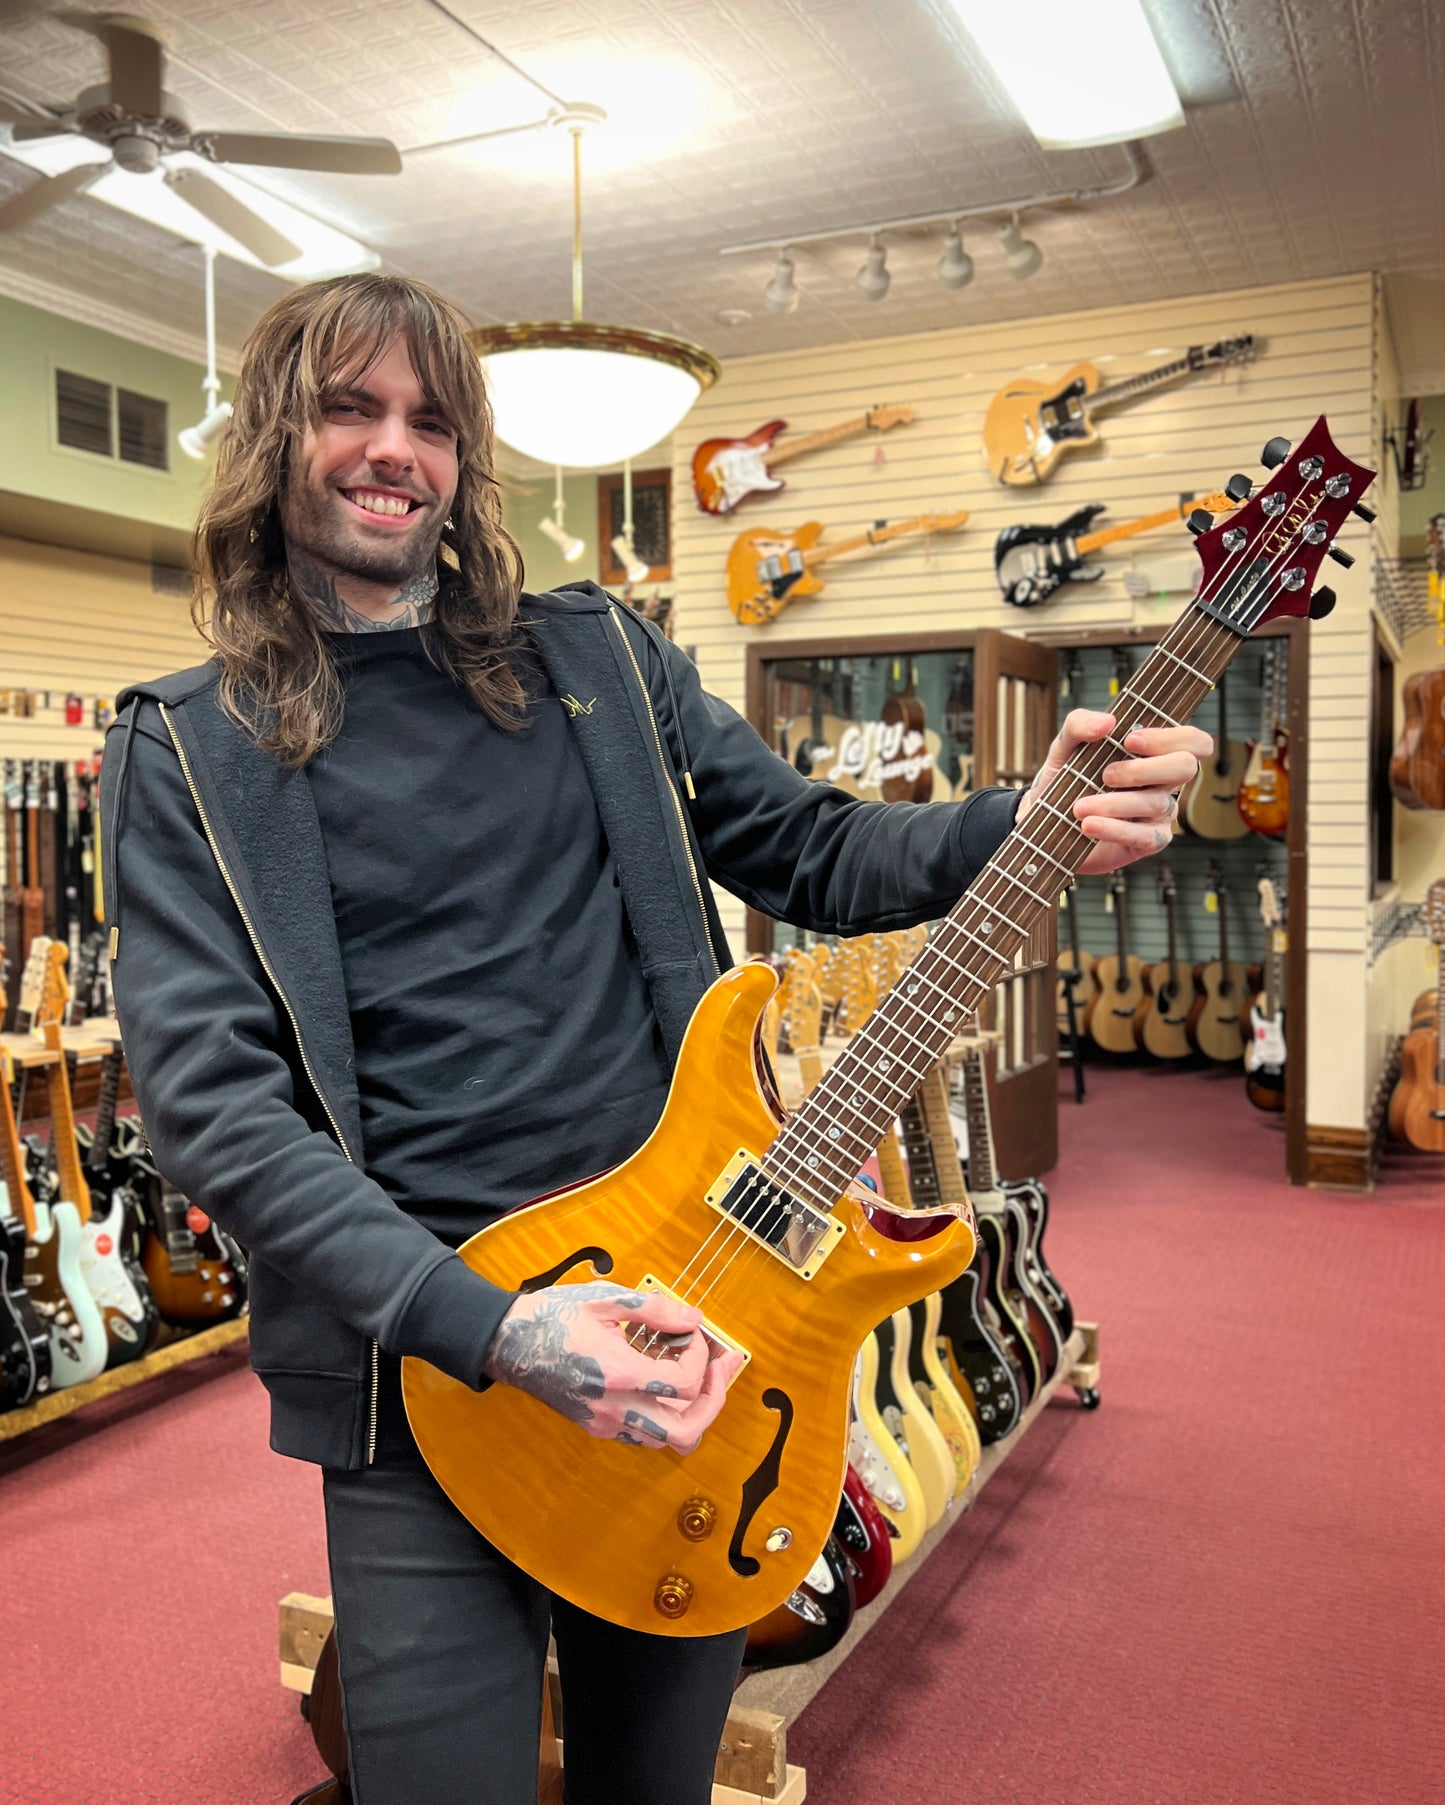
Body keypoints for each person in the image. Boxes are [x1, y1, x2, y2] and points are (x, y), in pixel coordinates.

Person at [103, 273, 1209, 1805]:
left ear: (464, 460)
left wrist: (1015, 820)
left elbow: (807, 845)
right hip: (423, 1372)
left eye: (429, 418)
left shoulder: (598, 664)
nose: (390, 448)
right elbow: (215, 1112)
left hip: (691, 1305)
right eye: (350, 407)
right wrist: (496, 1330)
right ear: (278, 435)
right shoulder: (188, 745)